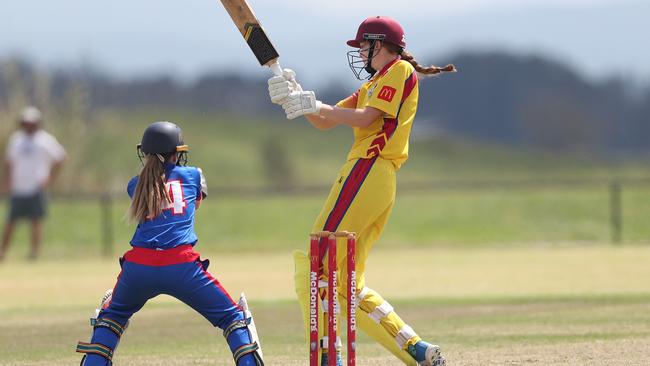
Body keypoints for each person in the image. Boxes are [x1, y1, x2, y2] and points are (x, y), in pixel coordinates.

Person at [268, 16, 456, 366]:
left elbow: (366, 119)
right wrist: (295, 98)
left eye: (363, 47)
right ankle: (415, 348)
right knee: (344, 284)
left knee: (315, 263)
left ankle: (327, 356)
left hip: (367, 170)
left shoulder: (398, 71)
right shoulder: (375, 82)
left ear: (379, 45)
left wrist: (316, 106)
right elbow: (329, 120)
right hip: (375, 179)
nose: (361, 54)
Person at [75, 121, 264, 366]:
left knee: (111, 318)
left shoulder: (136, 184)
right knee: (232, 318)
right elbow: (194, 202)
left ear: (144, 153)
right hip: (181, 265)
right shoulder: (194, 175)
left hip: (139, 267)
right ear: (177, 153)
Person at [0, 106, 65, 261]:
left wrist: (50, 178)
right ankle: (2, 252)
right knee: (10, 221)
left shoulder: (45, 140)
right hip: (18, 188)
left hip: (36, 188)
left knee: (36, 222)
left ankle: (34, 253)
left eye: (31, 122)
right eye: (25, 122)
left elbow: (61, 158)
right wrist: (7, 179)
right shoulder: (16, 140)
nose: (28, 125)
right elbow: (9, 162)